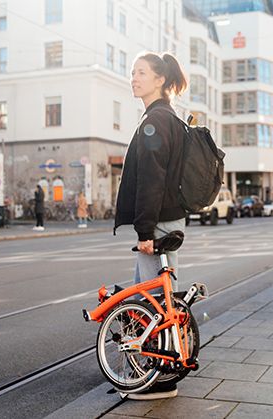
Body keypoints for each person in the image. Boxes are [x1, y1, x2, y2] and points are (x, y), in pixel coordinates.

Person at [112, 52, 188, 400]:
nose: (134, 78)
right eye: (132, 72)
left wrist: (144, 232)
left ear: (160, 80)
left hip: (157, 223)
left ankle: (156, 378)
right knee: (160, 301)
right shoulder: (168, 117)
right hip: (169, 218)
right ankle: (157, 374)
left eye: (141, 72)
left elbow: (152, 180)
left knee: (151, 304)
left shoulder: (154, 121)